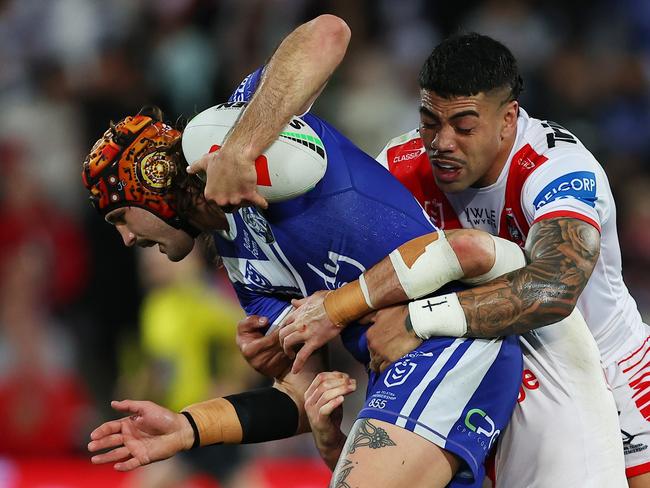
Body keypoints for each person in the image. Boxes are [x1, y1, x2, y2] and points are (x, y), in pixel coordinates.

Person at [85, 15, 527, 488]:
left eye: (120, 218)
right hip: (397, 375)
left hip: (452, 343)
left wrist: (240, 148)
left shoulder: (241, 132)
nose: (127, 240)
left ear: (151, 180)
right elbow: (296, 397)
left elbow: (330, 32)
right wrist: (189, 428)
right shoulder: (243, 267)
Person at [275, 32, 631, 487]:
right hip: (482, 368)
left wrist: (415, 321)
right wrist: (281, 326)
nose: (441, 142)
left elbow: (553, 288)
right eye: (429, 122)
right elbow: (362, 290)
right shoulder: (399, 169)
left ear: (508, 119)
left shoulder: (555, 168)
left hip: (607, 364)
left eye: (464, 126)